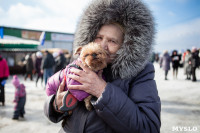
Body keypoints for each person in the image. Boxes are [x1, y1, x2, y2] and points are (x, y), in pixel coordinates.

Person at [44, 0, 161, 132]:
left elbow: (149, 127)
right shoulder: (80, 61)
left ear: (126, 46)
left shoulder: (140, 72)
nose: (102, 46)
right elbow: (51, 100)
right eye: (98, 37)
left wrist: (101, 90)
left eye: (112, 41)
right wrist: (55, 105)